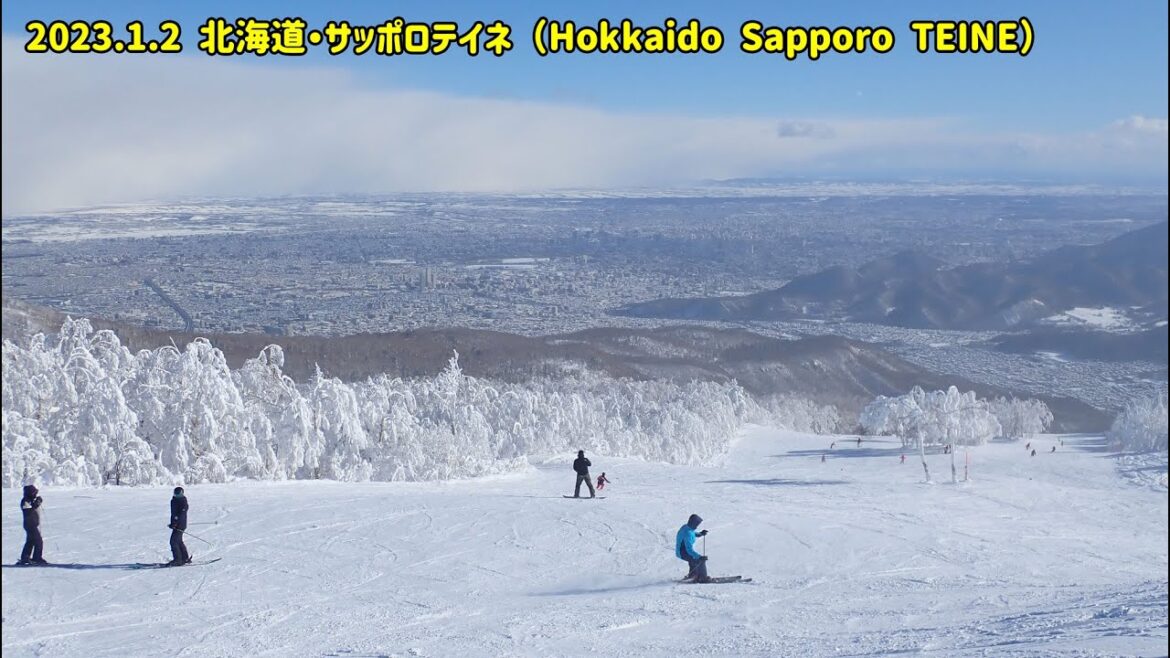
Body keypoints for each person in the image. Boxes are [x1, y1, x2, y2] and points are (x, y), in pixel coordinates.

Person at [676, 514, 710, 583]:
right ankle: (702, 578)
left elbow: (692, 533)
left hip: (682, 551)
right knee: (699, 560)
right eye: (697, 524)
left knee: (694, 560)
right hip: (683, 552)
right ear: (693, 523)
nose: (697, 526)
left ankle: (693, 575)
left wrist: (700, 534)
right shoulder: (687, 533)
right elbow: (689, 550)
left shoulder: (686, 527)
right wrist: (699, 557)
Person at [18, 484, 46, 565]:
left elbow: (33, 507)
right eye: (34, 493)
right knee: (38, 541)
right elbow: (29, 511)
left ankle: (25, 557)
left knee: (30, 541)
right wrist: (37, 503)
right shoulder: (25, 501)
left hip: (32, 524)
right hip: (30, 525)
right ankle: (37, 558)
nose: (35, 495)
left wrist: (37, 502)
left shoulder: (29, 500)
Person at [168, 486, 191, 566]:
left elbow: (181, 515)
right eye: (176, 494)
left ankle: (178, 560)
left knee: (173, 541)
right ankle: (184, 558)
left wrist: (175, 523)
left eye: (179, 494)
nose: (177, 496)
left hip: (180, 525)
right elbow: (174, 514)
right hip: (176, 525)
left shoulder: (183, 502)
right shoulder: (174, 501)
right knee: (178, 541)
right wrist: (172, 523)